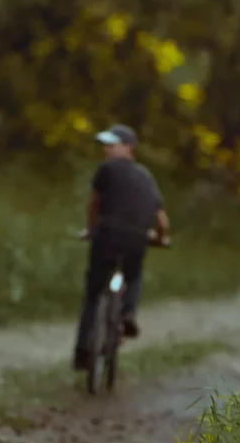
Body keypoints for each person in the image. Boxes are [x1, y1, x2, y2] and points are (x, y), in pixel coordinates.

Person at [72, 123, 170, 371]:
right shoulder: (147, 177)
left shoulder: (107, 170)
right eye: (105, 145)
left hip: (106, 235)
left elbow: (93, 204)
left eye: (112, 145)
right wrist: (160, 238)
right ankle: (127, 315)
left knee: (93, 293)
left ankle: (83, 352)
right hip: (136, 238)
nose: (106, 150)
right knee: (134, 276)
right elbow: (161, 220)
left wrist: (91, 231)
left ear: (128, 147)